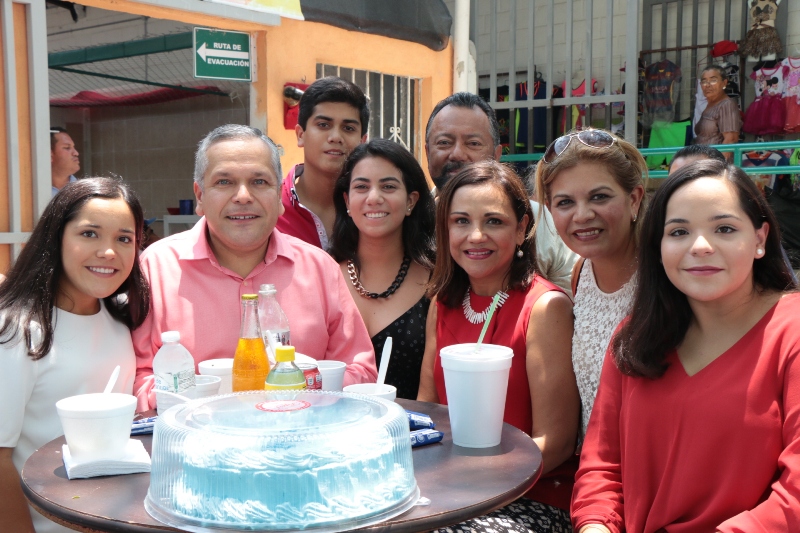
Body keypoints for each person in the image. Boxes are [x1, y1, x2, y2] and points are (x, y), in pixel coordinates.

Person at [572, 160, 800, 532]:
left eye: (724, 228)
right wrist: (596, 525)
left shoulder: (792, 331)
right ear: (658, 247)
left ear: (760, 239)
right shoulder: (634, 337)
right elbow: (602, 468)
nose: (701, 247)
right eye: (679, 232)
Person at [132, 125, 376, 411]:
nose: (243, 196)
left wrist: (300, 393)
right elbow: (137, 377)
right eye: (224, 182)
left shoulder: (320, 268)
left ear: (279, 196)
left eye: (259, 181)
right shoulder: (156, 268)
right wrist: (204, 397)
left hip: (299, 433)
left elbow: (359, 371)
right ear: (200, 196)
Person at [418, 161, 579, 531]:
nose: (476, 236)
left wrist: (475, 476)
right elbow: (427, 412)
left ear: (521, 229)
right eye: (461, 221)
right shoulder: (442, 303)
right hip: (450, 489)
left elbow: (555, 443)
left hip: (533, 494)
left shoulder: (545, 308)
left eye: (493, 221)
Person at [0, 178, 150, 533]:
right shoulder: (18, 330)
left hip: (117, 519)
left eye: (124, 239)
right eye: (89, 234)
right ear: (56, 238)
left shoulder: (120, 316)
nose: (108, 252)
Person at [534, 129, 646, 441]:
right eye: (565, 202)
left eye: (599, 197)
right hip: (591, 464)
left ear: (634, 199)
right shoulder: (580, 273)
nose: (582, 215)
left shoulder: (668, 276)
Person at [425, 92, 577, 295]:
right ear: (427, 151)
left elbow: (572, 296)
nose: (457, 154)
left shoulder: (542, 220)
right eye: (444, 142)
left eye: (473, 143)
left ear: (496, 155)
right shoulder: (411, 219)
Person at [329, 139, 436, 400]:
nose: (374, 198)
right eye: (361, 187)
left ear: (411, 201)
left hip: (413, 424)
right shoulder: (322, 275)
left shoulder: (437, 281)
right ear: (347, 200)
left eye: (388, 186)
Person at [276, 77, 369, 249]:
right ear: (301, 135)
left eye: (348, 128)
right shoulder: (270, 206)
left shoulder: (373, 208)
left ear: (362, 142)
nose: (335, 137)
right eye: (323, 125)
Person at [694, 65, 741, 160]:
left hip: (715, 163)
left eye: (713, 80)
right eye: (704, 81)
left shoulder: (727, 104)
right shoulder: (710, 105)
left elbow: (731, 140)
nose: (707, 85)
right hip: (703, 161)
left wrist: (716, 165)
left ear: (724, 83)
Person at [50, 127, 80, 196]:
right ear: (50, 154)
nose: (76, 153)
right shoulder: (32, 191)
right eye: (67, 148)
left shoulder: (84, 192)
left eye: (73, 147)